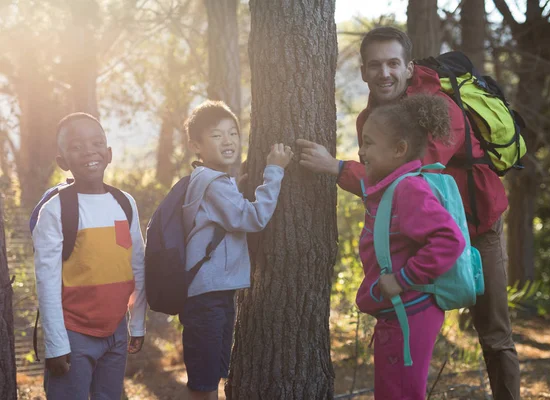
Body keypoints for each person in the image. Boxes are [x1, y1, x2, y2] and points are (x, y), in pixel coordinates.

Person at [297, 26, 520, 400]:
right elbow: (382, 177)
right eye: (375, 65)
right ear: (364, 72)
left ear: (408, 66)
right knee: (412, 319)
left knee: (494, 333)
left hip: (476, 225)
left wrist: (336, 169)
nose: (384, 73)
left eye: (392, 63)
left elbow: (405, 175)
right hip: (421, 236)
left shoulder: (438, 110)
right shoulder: (373, 116)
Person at [180, 100, 293, 400]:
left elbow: (226, 213)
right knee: (203, 382)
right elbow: (253, 218)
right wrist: (274, 171)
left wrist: (237, 188)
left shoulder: (214, 181)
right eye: (216, 135)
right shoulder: (213, 183)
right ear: (196, 145)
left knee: (210, 374)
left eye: (232, 133)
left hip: (214, 293)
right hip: (207, 298)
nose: (228, 140)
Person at [356, 94, 465, 399]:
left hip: (410, 311)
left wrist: (403, 279)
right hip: (399, 313)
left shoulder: (408, 188)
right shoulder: (394, 187)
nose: (362, 151)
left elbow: (449, 240)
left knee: (402, 393)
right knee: (393, 391)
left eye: (369, 142)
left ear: (399, 149)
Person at [33, 113, 146, 400]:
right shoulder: (56, 210)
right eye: (76, 147)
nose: (89, 152)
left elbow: (137, 266)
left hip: (116, 332)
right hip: (74, 334)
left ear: (108, 154)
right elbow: (46, 284)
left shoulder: (124, 203)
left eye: (97, 143)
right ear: (62, 161)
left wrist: (137, 322)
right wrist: (57, 345)